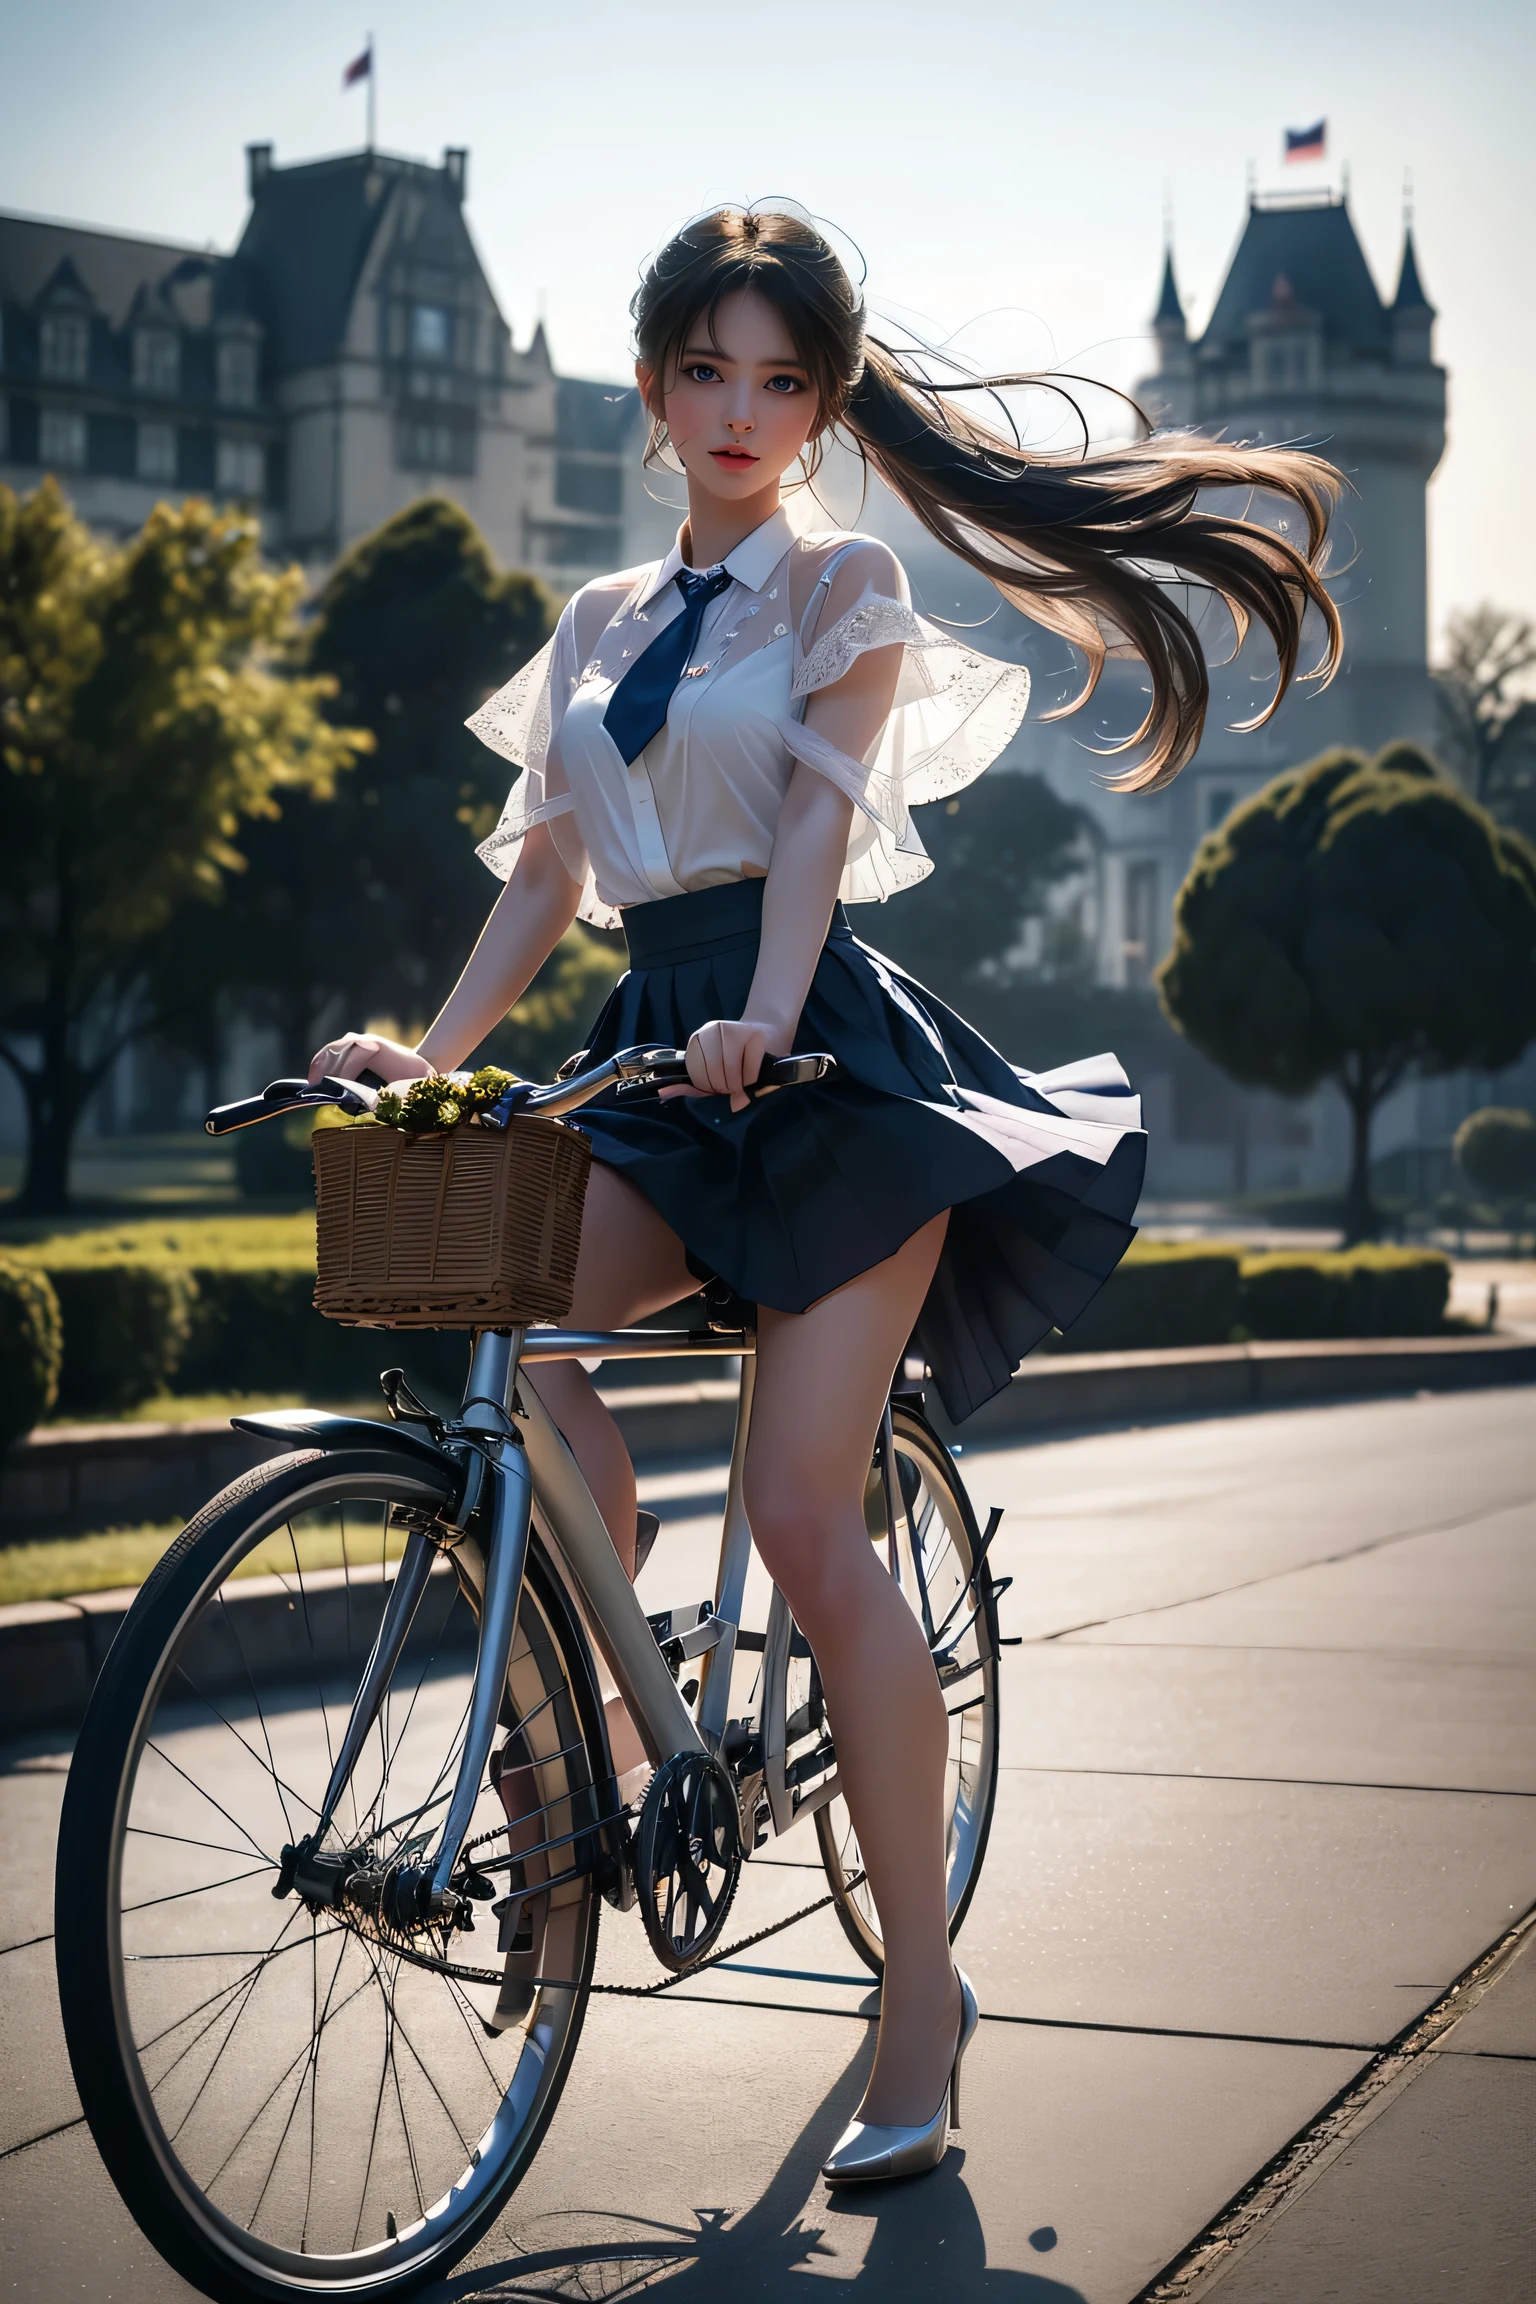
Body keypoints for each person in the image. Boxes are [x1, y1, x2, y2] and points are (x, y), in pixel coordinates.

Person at [311, 203, 1341, 2184]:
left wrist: (768, 1017)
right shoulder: (601, 621)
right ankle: (610, 1734)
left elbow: (806, 838)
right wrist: (428, 1065)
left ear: (823, 406)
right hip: (652, 1058)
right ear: (651, 381)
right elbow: (542, 879)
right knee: (496, 1337)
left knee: (798, 1506)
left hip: (825, 1069)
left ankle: (923, 2006)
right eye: (708, 369)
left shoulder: (845, 585)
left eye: (782, 380)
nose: (740, 409)